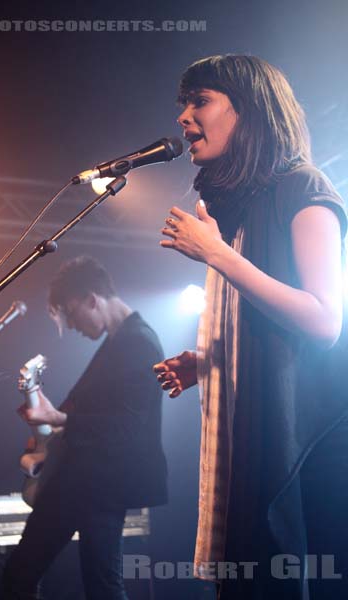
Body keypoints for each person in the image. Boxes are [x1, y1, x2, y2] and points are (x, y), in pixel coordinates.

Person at [154, 54, 348, 599]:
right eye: (183, 105)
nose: (184, 119)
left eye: (201, 102)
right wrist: (211, 362)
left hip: (308, 455)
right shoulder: (240, 205)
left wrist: (218, 255)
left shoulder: (304, 187)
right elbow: (265, 320)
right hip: (255, 440)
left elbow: (324, 320)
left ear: (251, 112)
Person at [4, 255, 168, 600]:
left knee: (98, 584)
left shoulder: (138, 342)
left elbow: (128, 429)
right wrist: (51, 423)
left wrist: (59, 419)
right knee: (29, 574)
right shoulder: (119, 340)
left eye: (72, 313)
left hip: (101, 484)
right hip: (83, 480)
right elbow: (96, 413)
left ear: (92, 299)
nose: (74, 326)